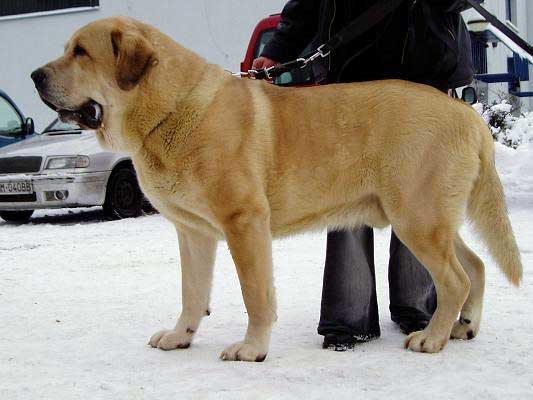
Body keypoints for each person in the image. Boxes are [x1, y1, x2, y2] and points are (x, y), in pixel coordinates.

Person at [253, 0, 477, 350]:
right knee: (343, 194)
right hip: (352, 74)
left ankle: (419, 307)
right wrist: (280, 49)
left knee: (418, 204)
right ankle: (348, 316)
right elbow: (306, 6)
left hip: (424, 71)